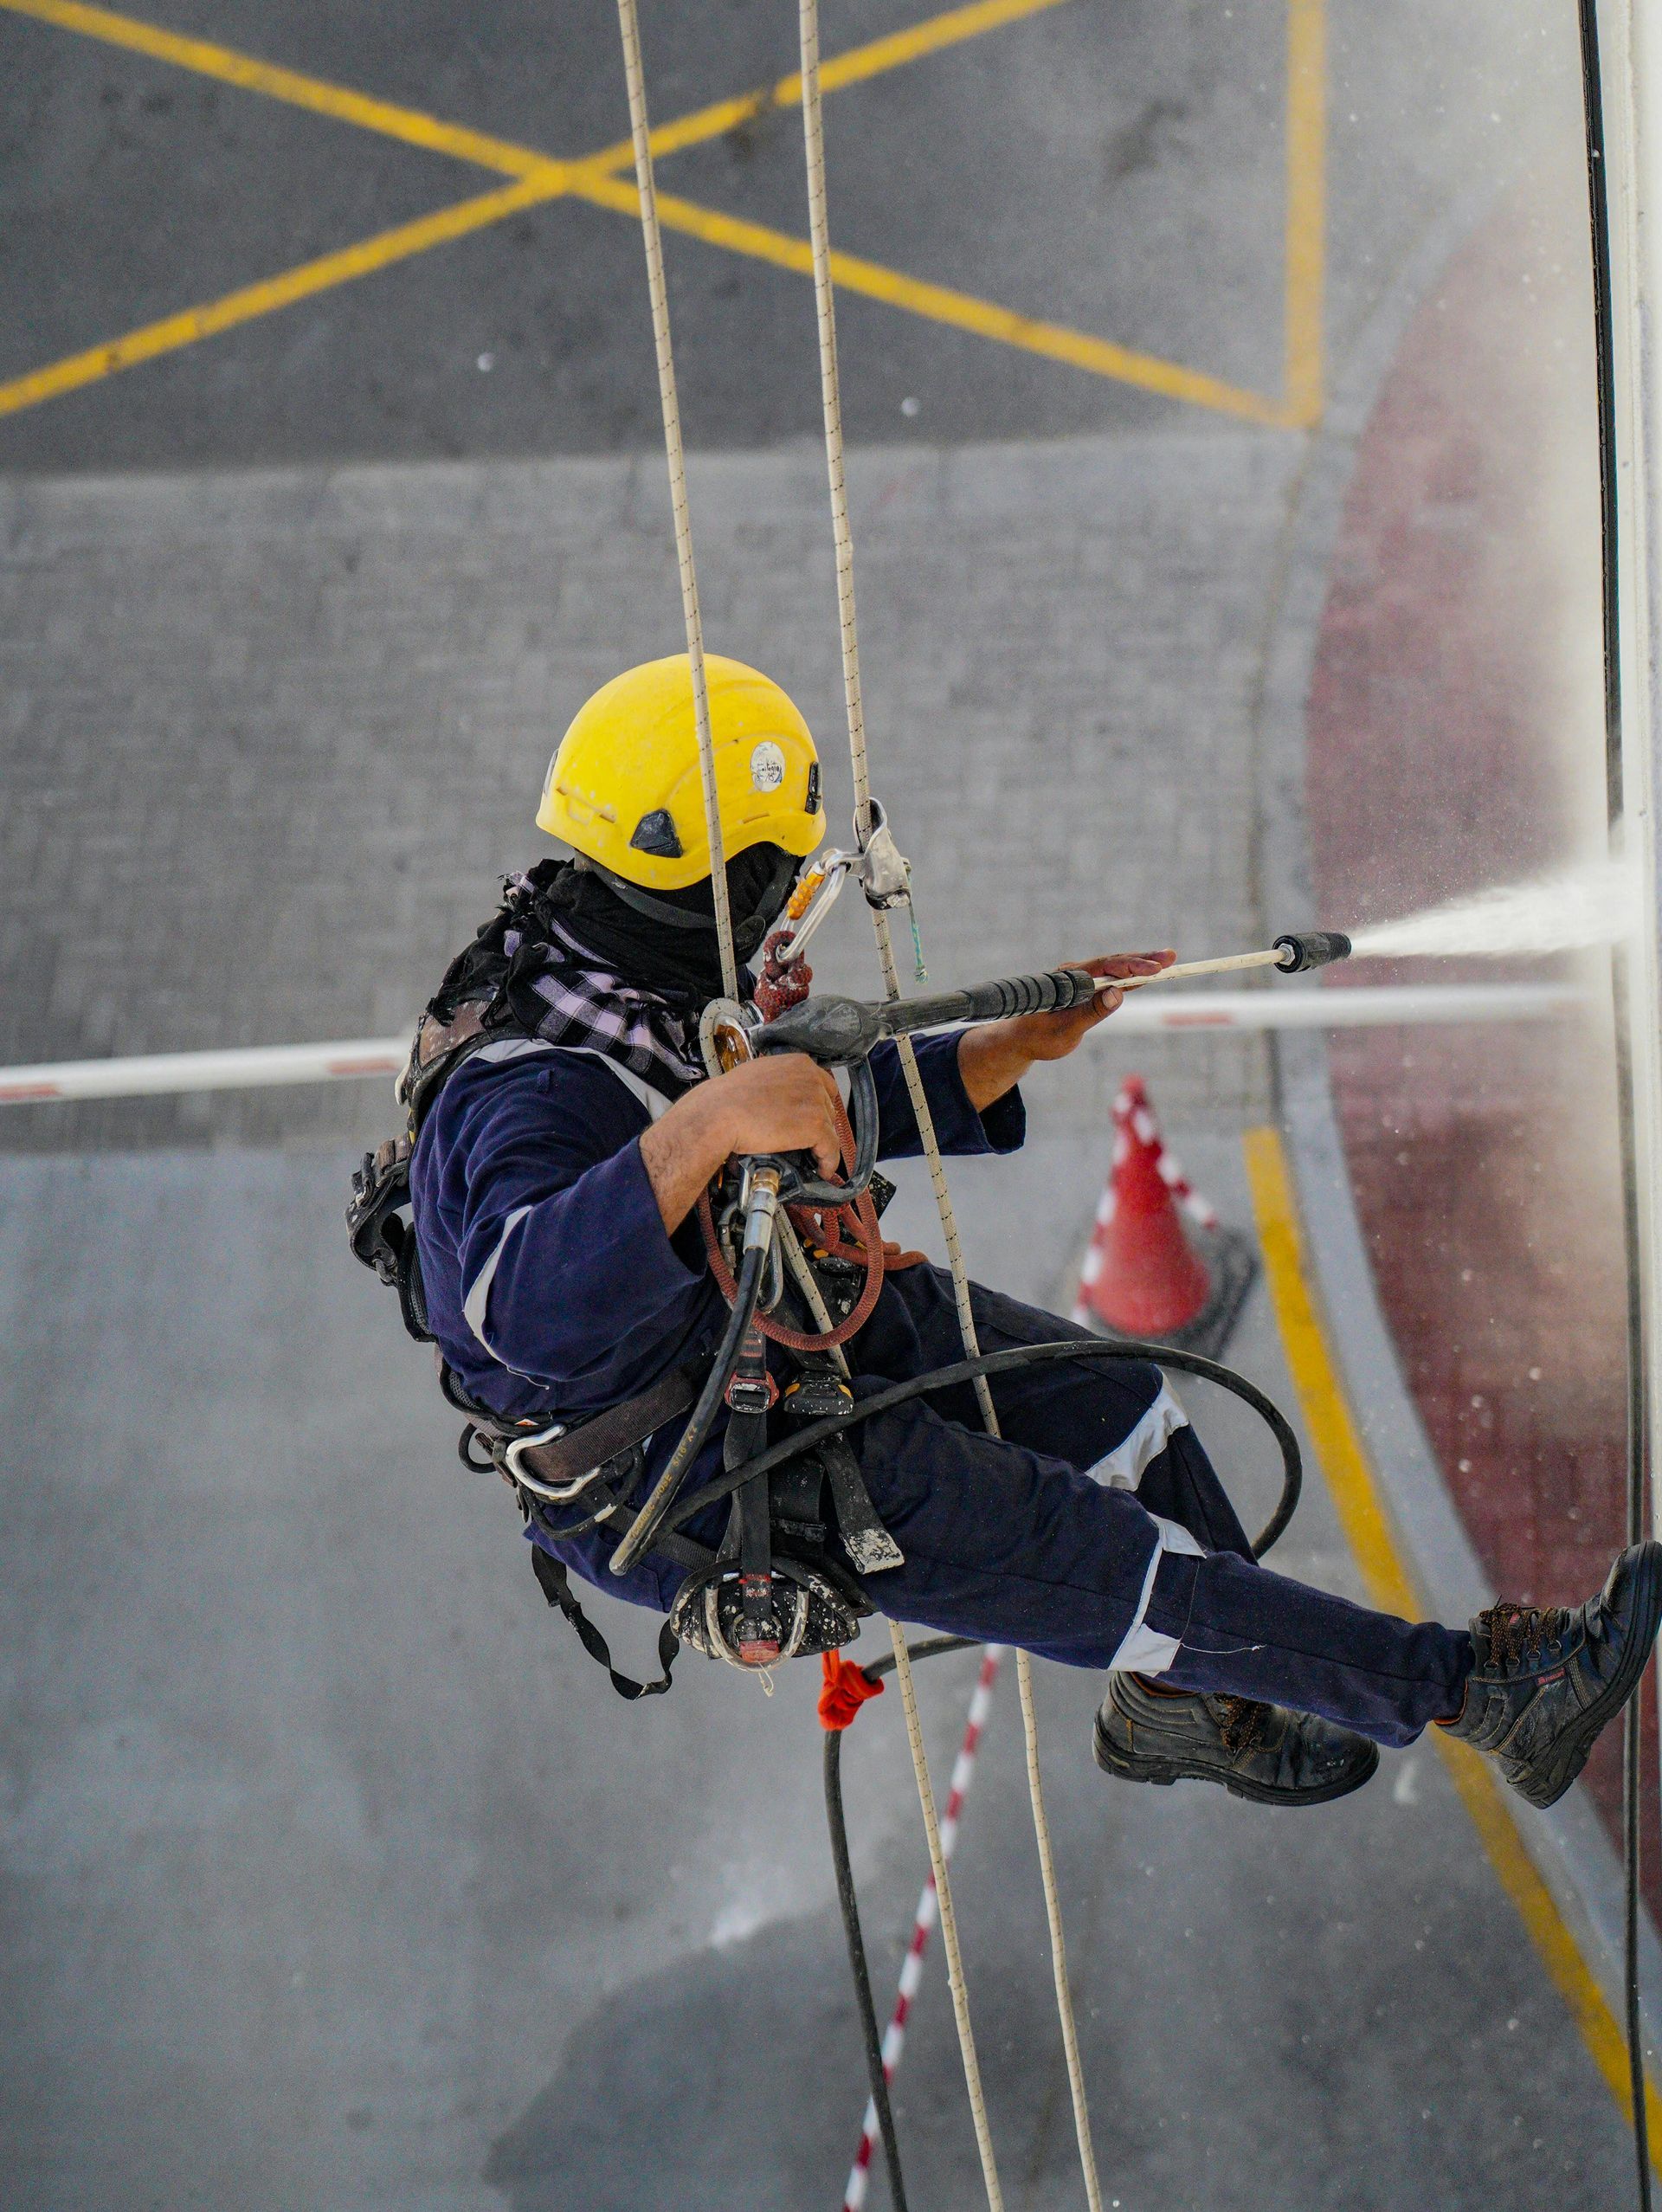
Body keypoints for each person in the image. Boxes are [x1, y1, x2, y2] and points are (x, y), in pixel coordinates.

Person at [408, 654, 1660, 1809]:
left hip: (750, 1323)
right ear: (718, 882)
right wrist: (710, 1124)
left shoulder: (625, 981)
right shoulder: (532, 1086)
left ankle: (1189, 1707)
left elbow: (795, 1112)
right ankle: (1481, 1697)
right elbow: (522, 1308)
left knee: (1122, 1410)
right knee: (1119, 1572)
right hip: (689, 1469)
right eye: (778, 882)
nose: (792, 912)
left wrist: (1002, 1051)